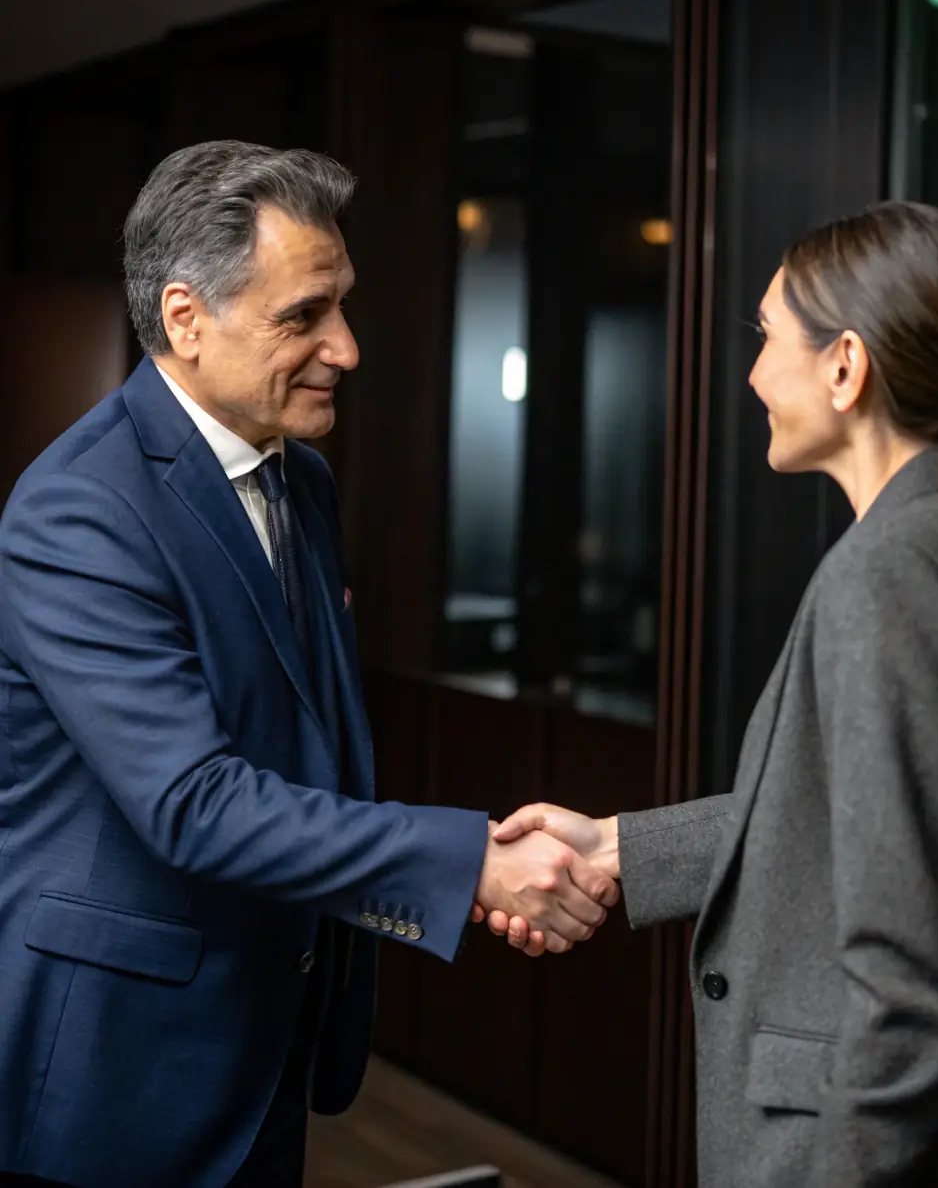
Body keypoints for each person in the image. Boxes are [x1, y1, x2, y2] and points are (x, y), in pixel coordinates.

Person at [0, 141, 617, 1188]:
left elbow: (309, 743)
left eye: (342, 305)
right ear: (186, 319)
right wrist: (471, 865)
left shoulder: (305, 482)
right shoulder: (80, 511)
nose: (347, 347)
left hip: (267, 1036)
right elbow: (193, 800)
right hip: (116, 1067)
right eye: (303, 317)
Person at [482, 201, 938, 1186]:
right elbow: (887, 817)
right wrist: (620, 848)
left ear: (845, 367)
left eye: (768, 337)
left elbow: (902, 992)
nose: (751, 375)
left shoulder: (891, 576)